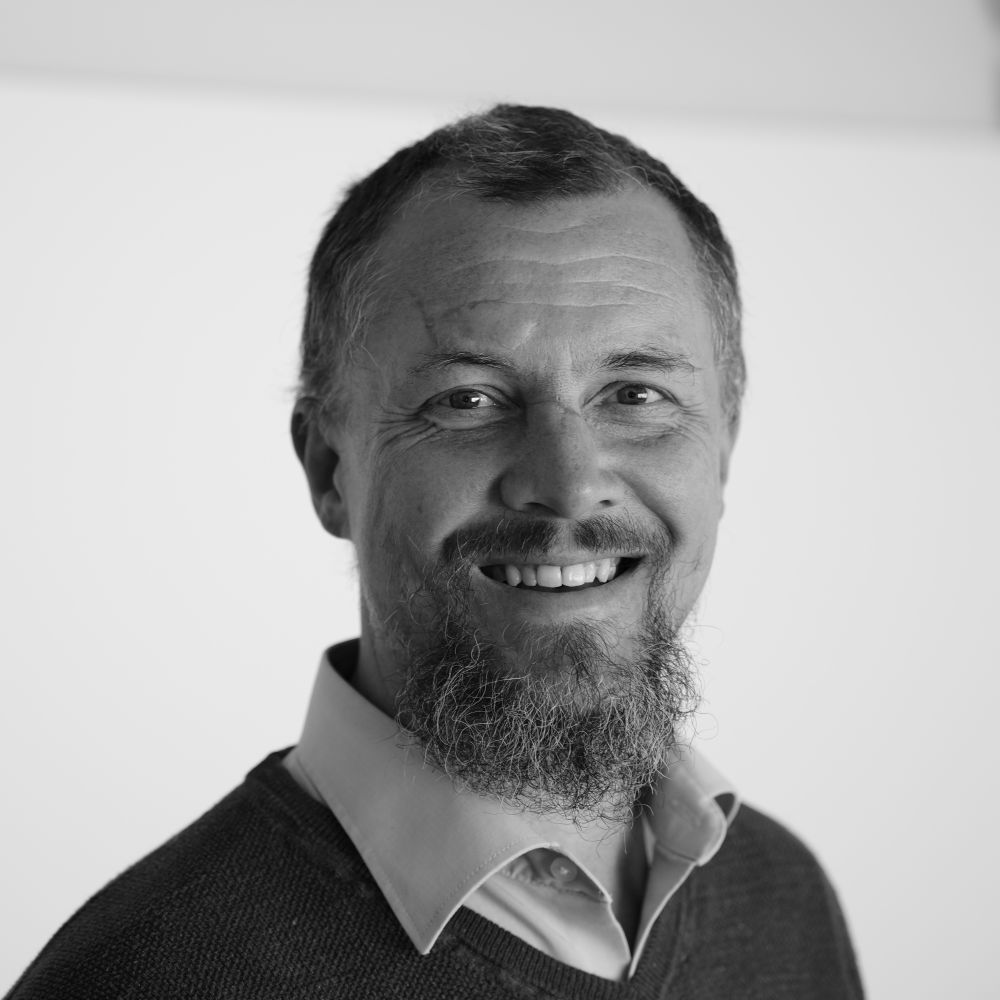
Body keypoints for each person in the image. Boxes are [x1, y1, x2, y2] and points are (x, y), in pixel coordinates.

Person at [6, 104, 864, 999]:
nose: (569, 484)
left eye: (636, 394)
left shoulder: (779, 896)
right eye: (468, 400)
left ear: (724, 447)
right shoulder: (143, 978)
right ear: (330, 468)